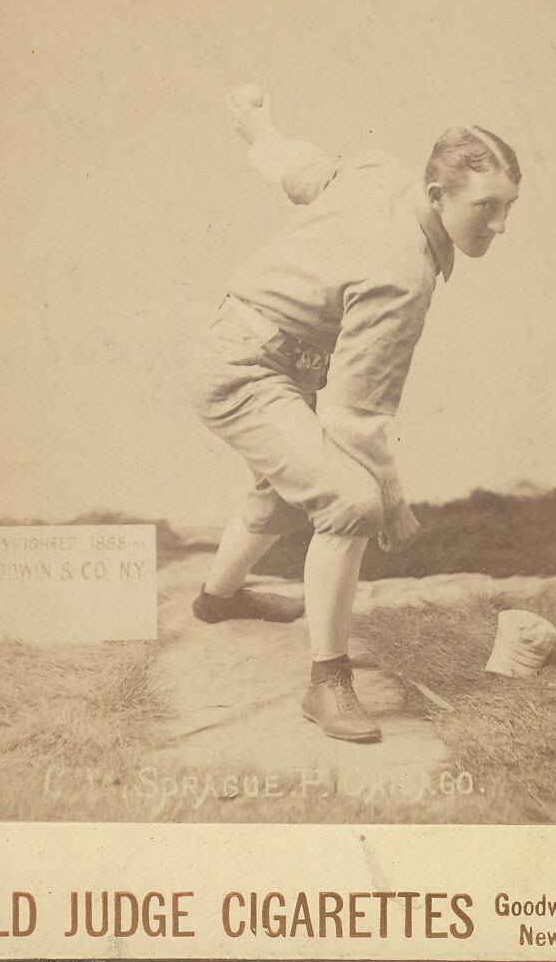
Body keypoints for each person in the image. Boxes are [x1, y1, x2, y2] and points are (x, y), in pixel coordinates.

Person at [187, 87, 521, 743]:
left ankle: (217, 598)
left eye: (509, 206)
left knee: (289, 483)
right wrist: (392, 501)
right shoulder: (402, 276)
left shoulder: (383, 170)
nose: (499, 224)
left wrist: (260, 131)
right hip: (243, 369)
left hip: (255, 352)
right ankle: (327, 681)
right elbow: (353, 415)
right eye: (484, 206)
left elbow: (305, 170)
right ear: (435, 195)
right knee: (349, 498)